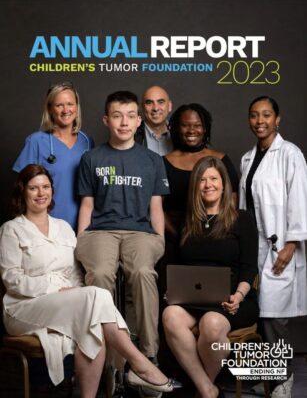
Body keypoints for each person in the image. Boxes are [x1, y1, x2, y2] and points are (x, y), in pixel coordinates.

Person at [0, 164, 180, 398]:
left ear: (52, 191)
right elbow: (12, 279)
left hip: (65, 303)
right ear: (23, 192)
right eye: (33, 188)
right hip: (22, 308)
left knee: (94, 325)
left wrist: (70, 292)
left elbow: (76, 272)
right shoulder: (12, 229)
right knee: (97, 295)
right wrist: (56, 287)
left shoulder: (64, 228)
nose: (41, 193)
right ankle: (140, 364)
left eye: (45, 187)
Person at [75, 91, 169, 364]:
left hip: (141, 232)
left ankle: (149, 355)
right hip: (100, 232)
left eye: (130, 116)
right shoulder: (92, 158)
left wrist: (159, 239)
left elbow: (155, 207)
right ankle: (110, 360)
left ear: (139, 120)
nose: (124, 122)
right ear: (106, 120)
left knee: (141, 272)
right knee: (101, 274)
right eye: (117, 116)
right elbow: (87, 205)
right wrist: (81, 238)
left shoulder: (152, 161)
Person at [163, 156, 259, 398]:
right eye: (202, 180)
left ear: (224, 184)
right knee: (170, 315)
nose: (208, 185)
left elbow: (250, 268)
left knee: (212, 324)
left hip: (233, 301)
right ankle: (208, 389)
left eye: (214, 178)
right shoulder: (189, 222)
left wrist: (239, 295)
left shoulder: (242, 219)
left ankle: (203, 387)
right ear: (196, 186)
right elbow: (178, 264)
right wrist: (172, 290)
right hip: (194, 300)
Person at [239, 96, 307, 398]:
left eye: (266, 115)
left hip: (280, 243)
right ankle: (267, 376)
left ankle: (284, 379)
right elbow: (244, 207)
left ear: (277, 119)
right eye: (254, 115)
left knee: (274, 318)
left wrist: (292, 243)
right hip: (253, 244)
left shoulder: (290, 154)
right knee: (256, 312)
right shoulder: (247, 157)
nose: (260, 121)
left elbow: (299, 200)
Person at [12, 81, 94, 231]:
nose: (65, 110)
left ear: (77, 107)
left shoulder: (87, 142)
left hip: (83, 224)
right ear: (50, 109)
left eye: (70, 104)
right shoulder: (36, 142)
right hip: (46, 224)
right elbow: (21, 189)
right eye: (59, 105)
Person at [163, 103, 239, 245]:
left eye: (197, 125)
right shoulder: (163, 162)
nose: (191, 130)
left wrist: (217, 231)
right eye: (185, 125)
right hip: (174, 238)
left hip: (217, 236)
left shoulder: (220, 159)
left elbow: (232, 200)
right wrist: (178, 237)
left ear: (205, 129)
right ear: (177, 128)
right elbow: (157, 208)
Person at [135, 86, 173, 155]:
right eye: (149, 103)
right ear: (142, 107)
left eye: (161, 102)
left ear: (169, 106)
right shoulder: (132, 135)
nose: (155, 108)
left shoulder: (180, 134)